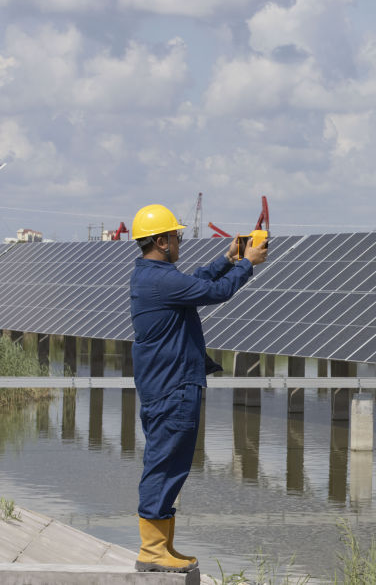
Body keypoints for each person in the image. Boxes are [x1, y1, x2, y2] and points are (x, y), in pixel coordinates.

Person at [129, 203, 267, 573]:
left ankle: (162, 546)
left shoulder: (154, 276)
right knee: (164, 465)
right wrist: (248, 263)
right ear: (161, 241)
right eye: (175, 235)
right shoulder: (162, 281)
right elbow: (217, 292)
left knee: (170, 464)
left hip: (171, 387)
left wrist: (228, 258)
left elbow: (199, 280)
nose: (179, 240)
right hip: (173, 389)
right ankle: (152, 550)